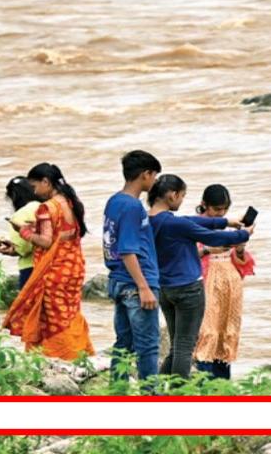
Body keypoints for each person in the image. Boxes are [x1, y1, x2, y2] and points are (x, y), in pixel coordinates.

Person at [147, 175, 252, 379]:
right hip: (188, 288)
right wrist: (245, 234)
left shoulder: (150, 220)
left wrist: (226, 221)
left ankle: (156, 390)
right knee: (185, 347)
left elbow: (190, 221)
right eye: (182, 196)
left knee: (177, 344)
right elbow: (214, 237)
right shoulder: (175, 224)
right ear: (172, 195)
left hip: (164, 287)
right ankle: (179, 394)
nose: (182, 201)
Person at [3, 163, 94, 360]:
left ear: (46, 182)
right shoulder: (71, 202)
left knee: (52, 318)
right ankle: (80, 353)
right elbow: (65, 232)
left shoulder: (47, 208)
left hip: (54, 271)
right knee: (70, 312)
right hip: (74, 267)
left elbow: (45, 241)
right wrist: (37, 226)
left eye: (35, 186)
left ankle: (61, 356)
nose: (34, 191)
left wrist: (24, 231)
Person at [102, 150, 162, 382]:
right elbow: (127, 250)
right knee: (147, 346)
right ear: (145, 174)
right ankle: (150, 395)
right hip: (135, 283)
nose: (155, 181)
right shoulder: (132, 207)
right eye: (154, 176)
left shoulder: (115, 201)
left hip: (118, 280)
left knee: (124, 344)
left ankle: (118, 391)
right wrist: (144, 286)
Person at [194, 184, 255, 380]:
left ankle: (223, 383)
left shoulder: (228, 224)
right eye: (217, 209)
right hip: (207, 281)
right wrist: (210, 250)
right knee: (207, 329)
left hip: (231, 281)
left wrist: (239, 247)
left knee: (227, 328)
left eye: (224, 209)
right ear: (204, 205)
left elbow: (241, 262)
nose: (221, 213)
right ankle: (206, 380)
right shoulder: (194, 225)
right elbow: (183, 256)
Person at [0, 176, 41, 290]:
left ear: (14, 196)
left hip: (31, 267)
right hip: (53, 264)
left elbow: (23, 249)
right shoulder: (46, 206)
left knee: (29, 306)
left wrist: (10, 249)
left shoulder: (19, 215)